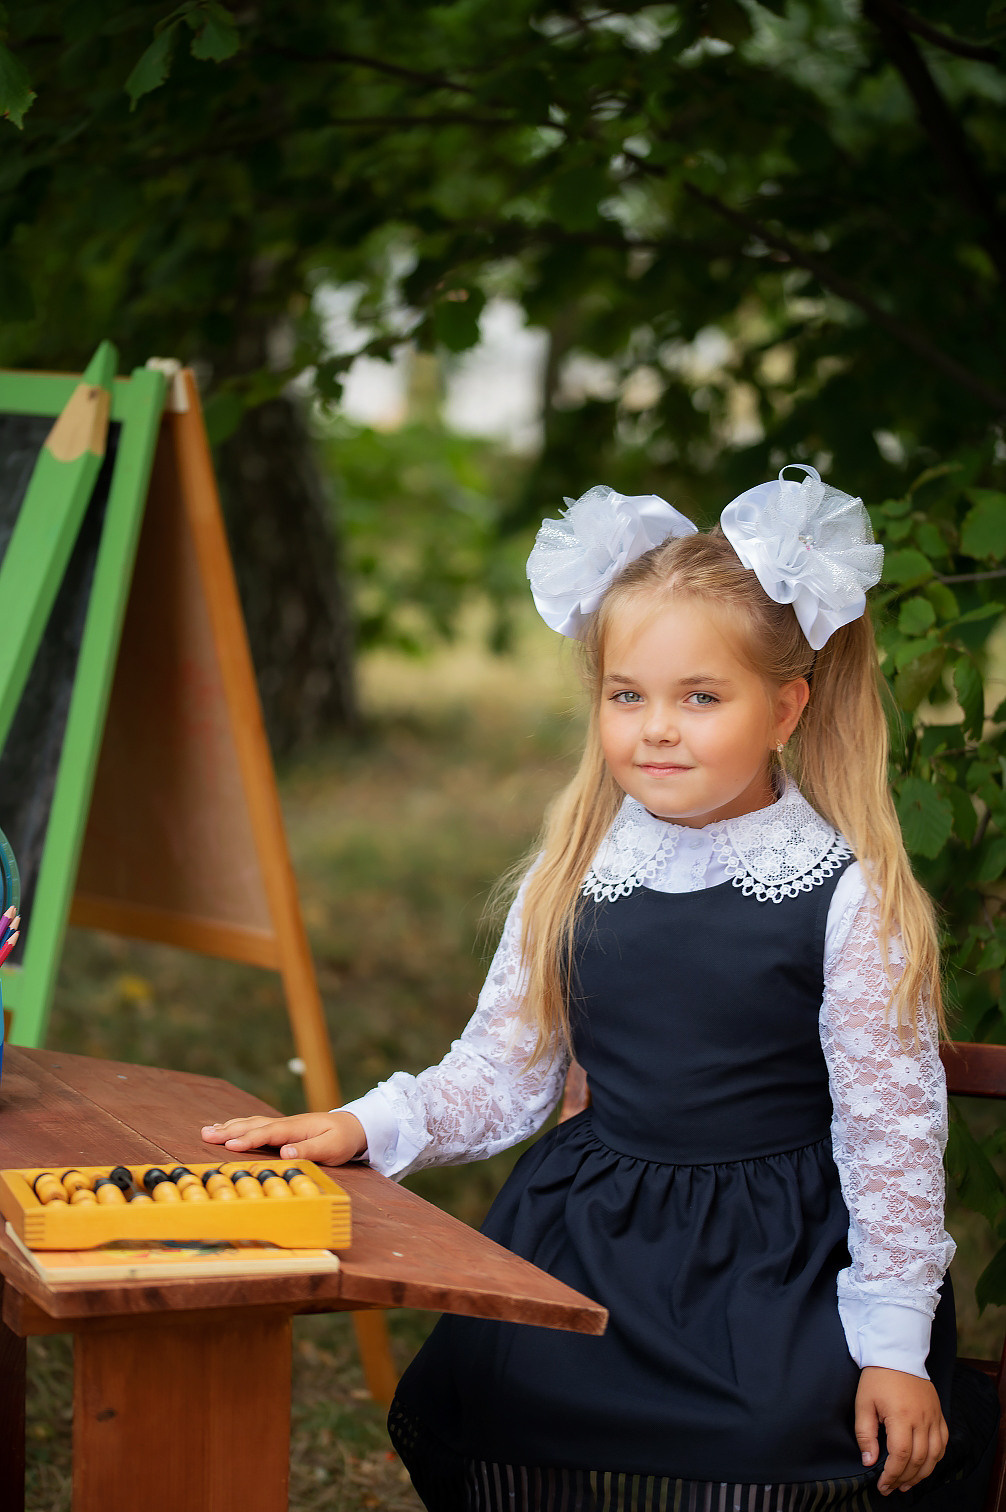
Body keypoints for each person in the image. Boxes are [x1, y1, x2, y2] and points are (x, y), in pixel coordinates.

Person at [203, 466, 999, 1510]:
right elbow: (504, 1069)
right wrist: (367, 1125)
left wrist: (893, 1344)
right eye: (628, 695)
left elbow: (890, 1136)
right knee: (494, 1385)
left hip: (775, 1258)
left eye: (699, 698)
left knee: (777, 1433)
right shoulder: (578, 869)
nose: (655, 728)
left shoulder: (842, 896)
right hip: (596, 1229)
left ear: (785, 707)